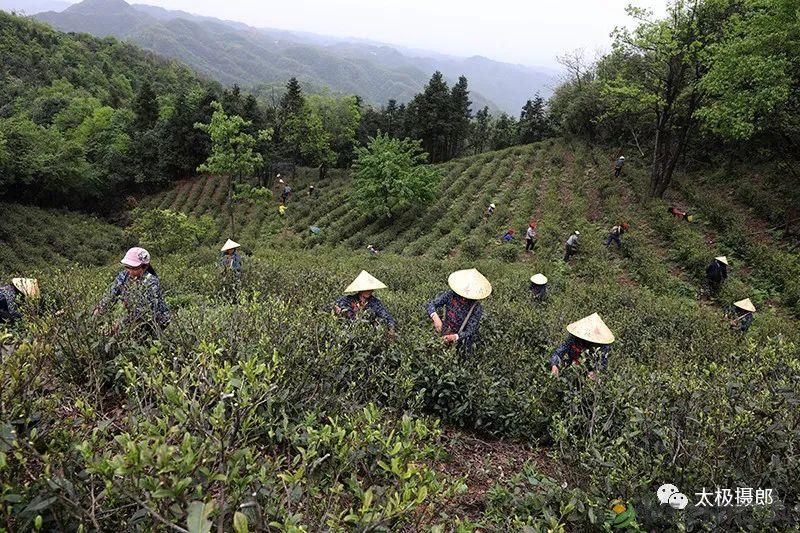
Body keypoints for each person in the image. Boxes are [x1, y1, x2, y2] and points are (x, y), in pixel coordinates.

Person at [94, 247, 170, 337]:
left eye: (133, 268)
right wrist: (99, 311)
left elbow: (143, 312)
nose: (129, 271)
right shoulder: (123, 276)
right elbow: (111, 294)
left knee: (143, 340)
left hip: (154, 320)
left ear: (144, 267)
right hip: (134, 316)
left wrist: (119, 325)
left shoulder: (151, 282)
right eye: (127, 267)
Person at [426, 268, 491, 356]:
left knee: (460, 359)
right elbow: (431, 304)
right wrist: (435, 317)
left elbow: (470, 331)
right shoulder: (451, 295)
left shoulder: (476, 308)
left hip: (462, 343)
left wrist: (455, 337)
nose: (464, 298)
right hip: (445, 332)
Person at [550, 313, 615, 380]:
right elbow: (560, 351)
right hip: (571, 367)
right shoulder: (574, 337)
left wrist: (595, 372)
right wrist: (554, 365)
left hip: (588, 373)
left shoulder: (603, 344)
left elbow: (603, 363)